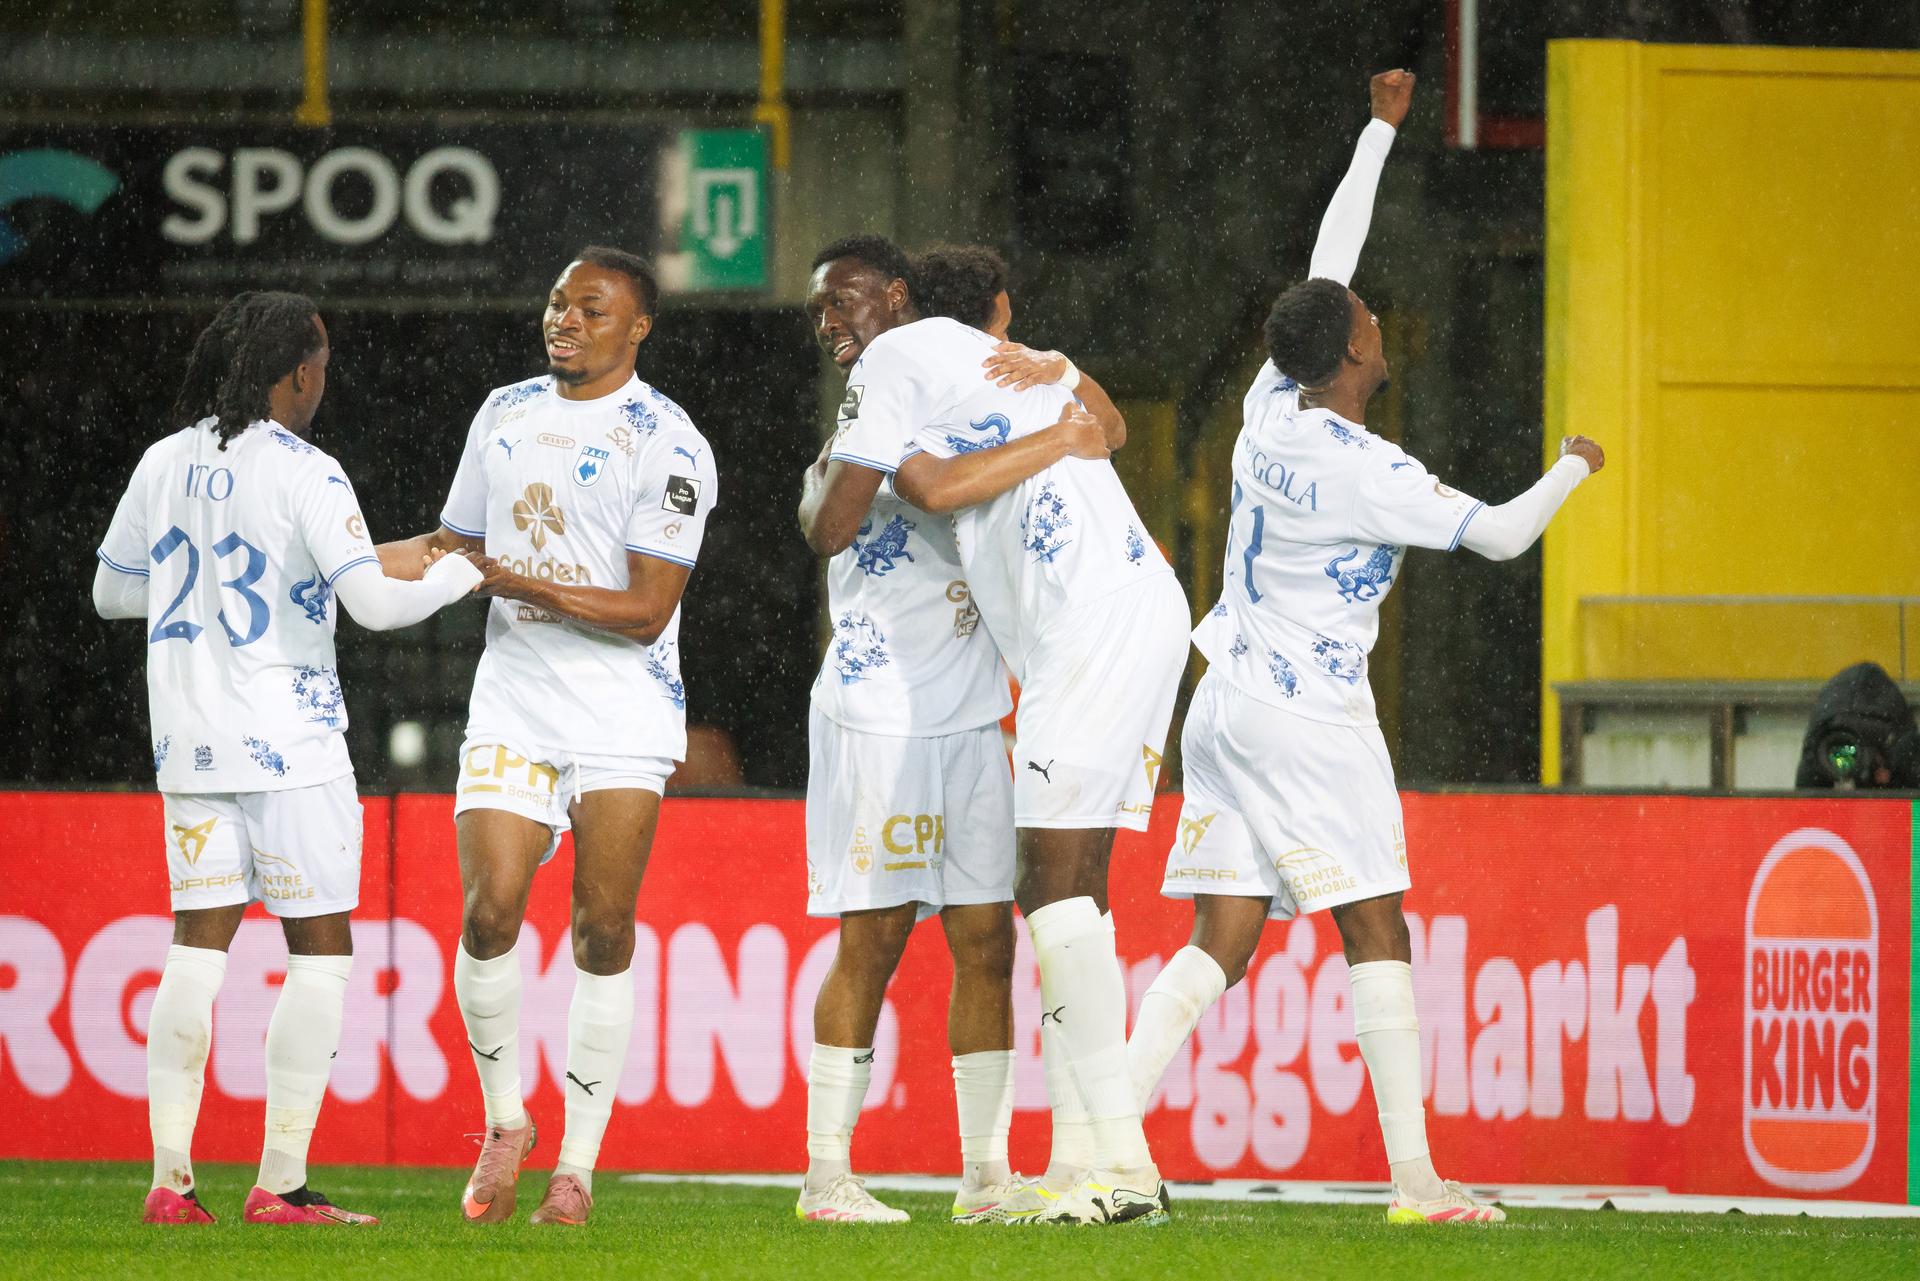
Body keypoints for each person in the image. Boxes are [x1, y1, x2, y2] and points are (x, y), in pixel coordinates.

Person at [1125, 70, 1605, 1226]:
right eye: (1369, 322)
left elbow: (1328, 263)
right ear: (1351, 354)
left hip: (1224, 698)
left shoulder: (1265, 411)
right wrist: (1575, 467)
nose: (1377, 320)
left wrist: (1379, 135)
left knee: (1223, 936)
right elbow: (1494, 537)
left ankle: (1094, 1143)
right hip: (1307, 712)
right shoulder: (1366, 468)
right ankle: (1416, 1182)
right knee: (1375, 916)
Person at [805, 246, 1190, 1228]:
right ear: (1000, 312)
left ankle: (1124, 1171)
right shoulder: (1013, 364)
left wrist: (1051, 418)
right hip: (1126, 614)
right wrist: (1058, 385)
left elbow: (904, 498)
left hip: (1082, 631)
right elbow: (1106, 425)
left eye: (843, 304)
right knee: (1074, 890)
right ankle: (1078, 1161)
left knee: (1045, 891)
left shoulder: (896, 365)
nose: (830, 328)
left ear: (898, 303)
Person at [94, 290, 483, 1226]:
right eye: (323, 366)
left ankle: (169, 1179)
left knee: (196, 949)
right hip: (294, 747)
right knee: (318, 956)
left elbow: (113, 593)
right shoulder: (308, 468)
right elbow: (376, 608)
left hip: (189, 745)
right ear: (298, 369)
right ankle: (280, 1181)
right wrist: (473, 570)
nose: (324, 384)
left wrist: (224, 598)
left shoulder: (163, 461)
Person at [376, 247, 719, 1226]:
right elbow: (453, 550)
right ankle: (504, 1122)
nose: (564, 319)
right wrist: (339, 563)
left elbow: (650, 610)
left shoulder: (669, 442)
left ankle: (577, 1163)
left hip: (623, 709)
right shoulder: (505, 411)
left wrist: (518, 581)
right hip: (516, 699)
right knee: (489, 913)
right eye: (557, 301)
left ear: (637, 328)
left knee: (602, 929)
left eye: (591, 308)